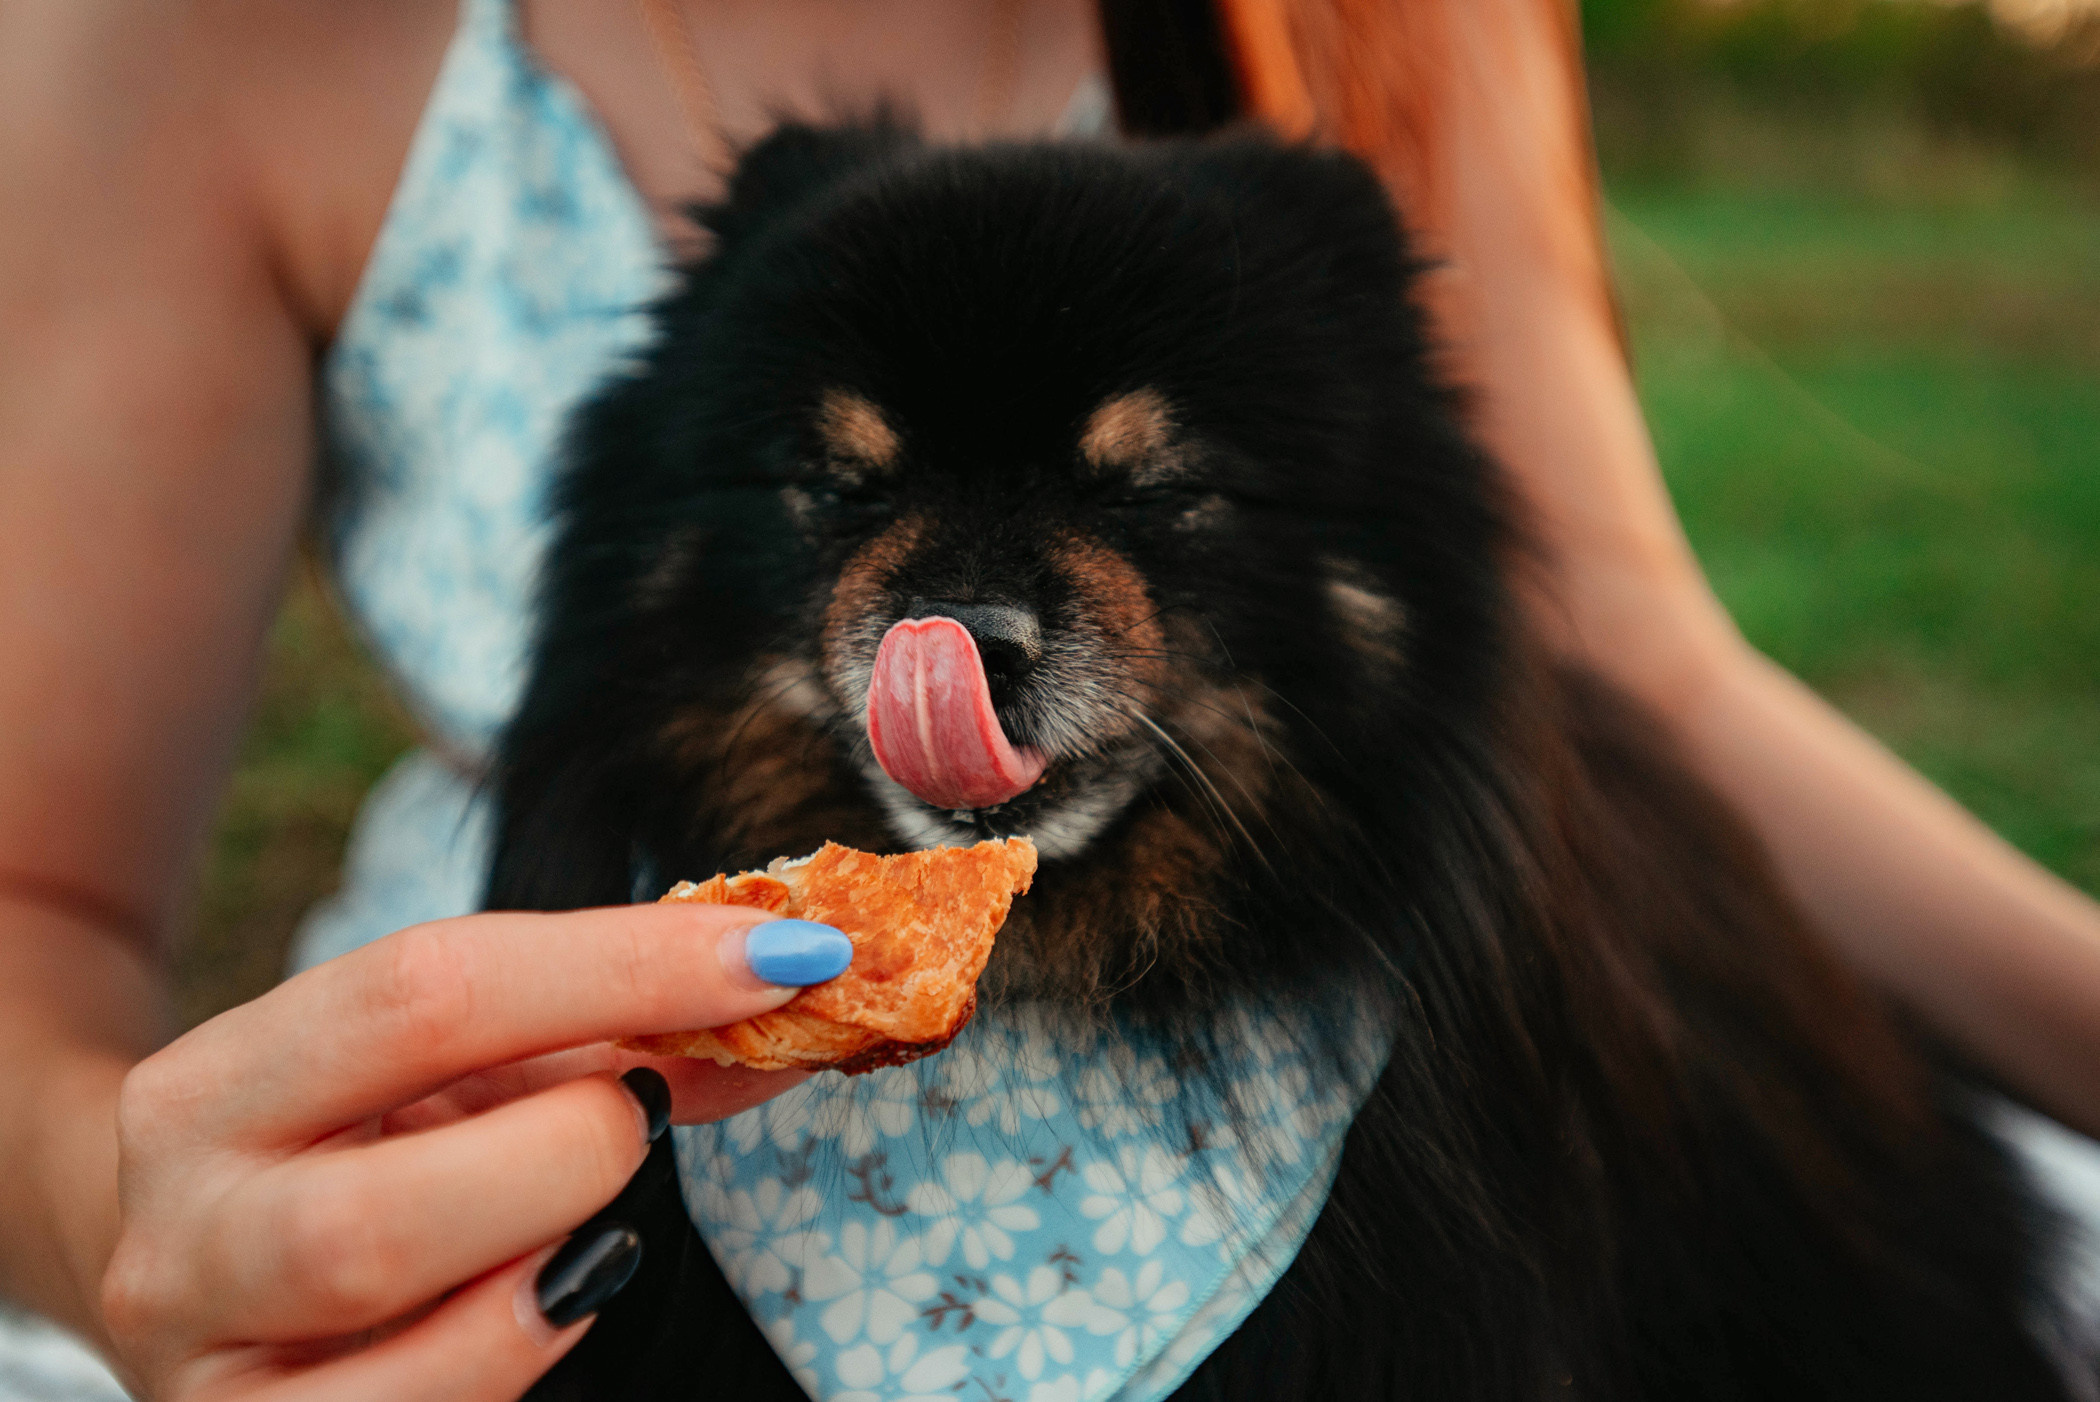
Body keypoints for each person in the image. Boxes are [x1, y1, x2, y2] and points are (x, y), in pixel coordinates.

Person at [0, 0, 2094, 1398]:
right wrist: (140, 1228)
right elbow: (36, 903)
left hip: (1375, 1043)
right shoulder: (192, 39)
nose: (980, 613)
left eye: (1147, 490)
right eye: (843, 488)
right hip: (557, 1065)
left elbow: (1625, 657)